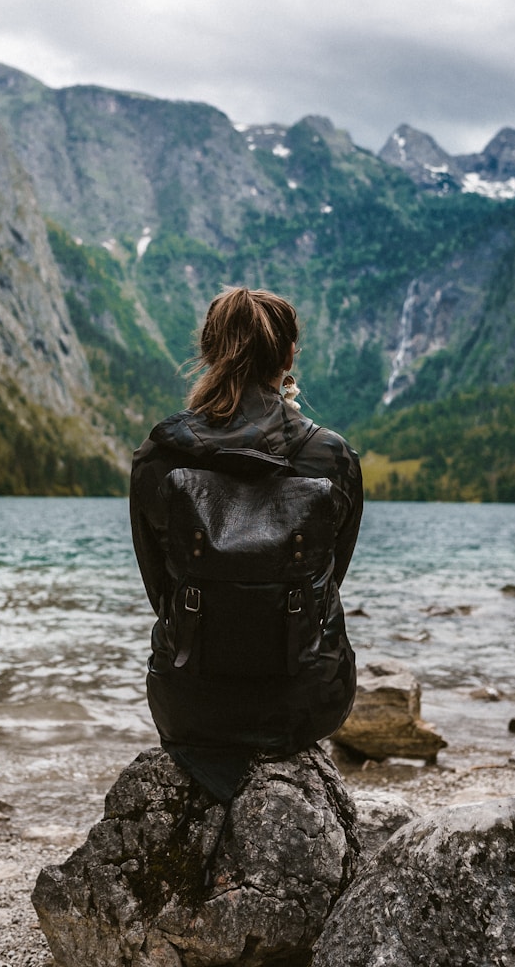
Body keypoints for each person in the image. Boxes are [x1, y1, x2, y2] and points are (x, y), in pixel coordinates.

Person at [129, 286, 363, 799]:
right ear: (287, 357)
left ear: (210, 352)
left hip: (188, 705)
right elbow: (329, 583)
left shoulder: (158, 456)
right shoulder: (331, 457)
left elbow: (160, 589)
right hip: (305, 702)